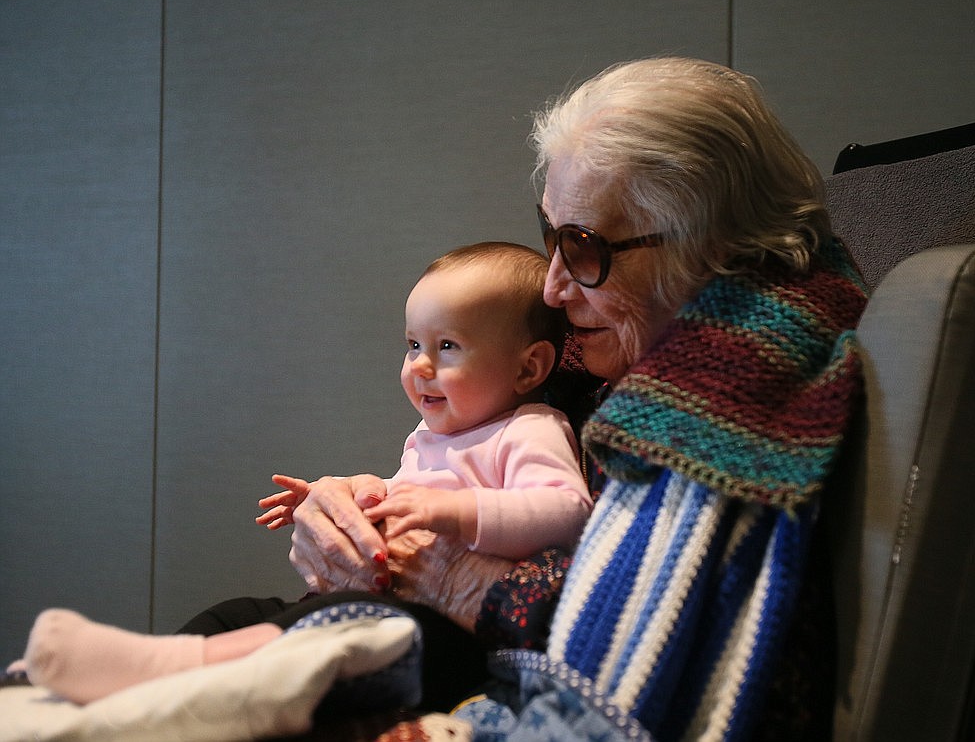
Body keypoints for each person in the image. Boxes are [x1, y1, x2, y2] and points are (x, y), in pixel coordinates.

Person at [286, 57, 869, 740]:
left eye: (584, 248)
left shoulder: (724, 397)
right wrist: (347, 513)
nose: (552, 288)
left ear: (708, 247)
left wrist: (447, 577)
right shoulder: (591, 352)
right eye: (550, 237)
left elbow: (633, 639)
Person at [10, 241, 592, 707]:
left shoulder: (529, 427)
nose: (419, 366)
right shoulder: (430, 438)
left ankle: (160, 674)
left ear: (528, 367)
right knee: (244, 610)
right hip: (381, 612)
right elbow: (398, 504)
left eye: (447, 346)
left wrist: (456, 513)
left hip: (447, 641)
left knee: (335, 624)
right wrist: (344, 499)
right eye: (412, 344)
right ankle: (136, 667)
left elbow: (566, 511)